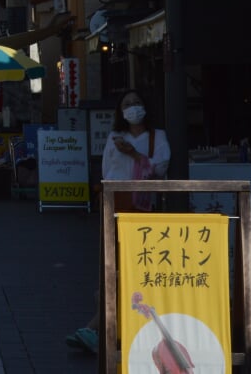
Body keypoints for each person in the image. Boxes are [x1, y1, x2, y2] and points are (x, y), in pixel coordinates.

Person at [67, 90, 169, 354]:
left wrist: (136, 156)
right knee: (111, 264)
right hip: (115, 203)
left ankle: (97, 328)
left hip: (144, 208)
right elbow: (107, 171)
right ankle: (100, 328)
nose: (133, 108)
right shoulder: (115, 137)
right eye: (127, 104)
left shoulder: (157, 137)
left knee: (133, 266)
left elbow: (161, 167)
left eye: (137, 103)